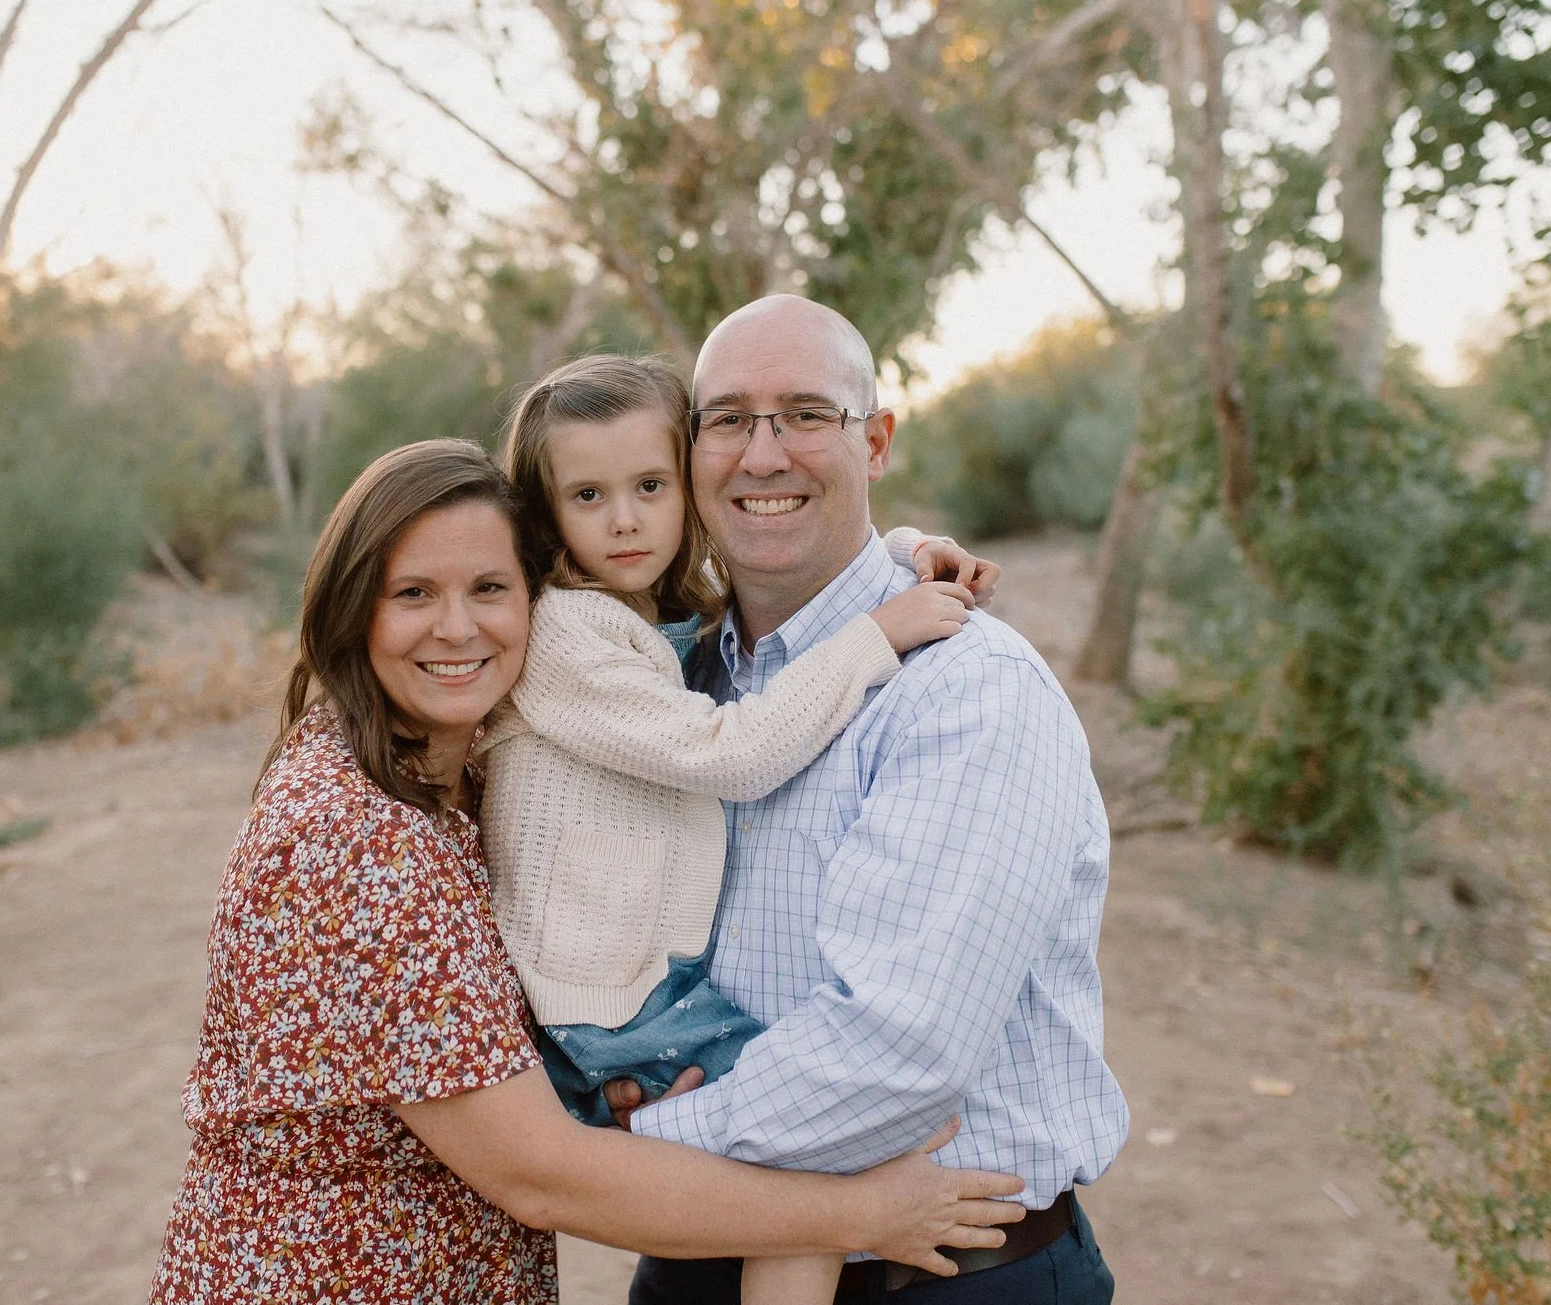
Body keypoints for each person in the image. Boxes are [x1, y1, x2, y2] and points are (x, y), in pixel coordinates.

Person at [147, 438, 1029, 1305]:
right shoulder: (354, 838)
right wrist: (861, 1212)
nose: (457, 627)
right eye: (413, 593)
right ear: (352, 609)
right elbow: (540, 1174)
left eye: (489, 588)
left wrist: (900, 551)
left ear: (539, 593)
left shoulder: (435, 772)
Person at [613, 296, 1130, 1305]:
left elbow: (897, 1052)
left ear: (877, 441)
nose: (762, 454)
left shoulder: (967, 690)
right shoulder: (673, 679)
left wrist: (638, 1141)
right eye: (728, 419)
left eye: (807, 414)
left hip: (941, 1277)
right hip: (694, 1263)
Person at [480, 355, 1001, 1305]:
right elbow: (732, 752)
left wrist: (908, 547)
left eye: (650, 486)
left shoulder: (645, 607)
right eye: (588, 495)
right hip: (603, 999)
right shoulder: (563, 633)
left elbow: (789, 554)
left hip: (639, 982)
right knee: (814, 1150)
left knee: (802, 1140)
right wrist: (879, 634)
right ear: (544, 514)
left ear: (688, 485)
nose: (626, 519)